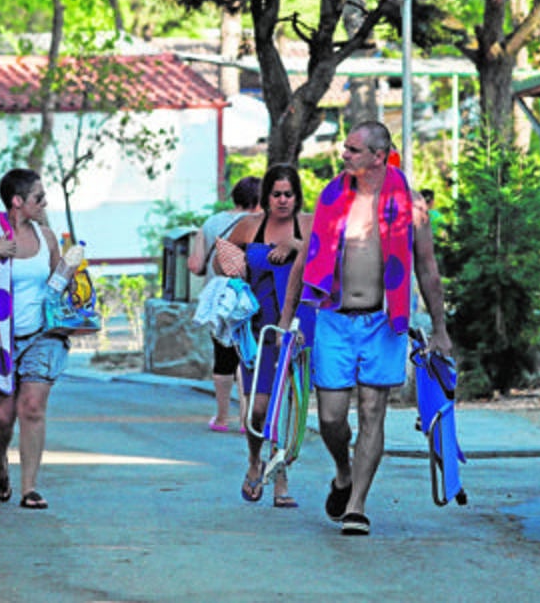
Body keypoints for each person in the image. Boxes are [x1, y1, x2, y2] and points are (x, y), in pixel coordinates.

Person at [279, 120, 452, 535]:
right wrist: (287, 320)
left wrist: (441, 330)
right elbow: (305, 261)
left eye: (353, 150)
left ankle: (356, 505)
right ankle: (343, 473)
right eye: (345, 148)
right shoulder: (332, 197)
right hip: (335, 321)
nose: (344, 155)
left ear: (379, 155)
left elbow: (428, 269)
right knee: (332, 419)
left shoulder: (410, 205)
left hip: (384, 322)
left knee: (374, 411)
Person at [0, 168, 68, 510]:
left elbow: (57, 285)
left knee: (32, 408)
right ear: (18, 201)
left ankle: (30, 488)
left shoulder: (47, 237)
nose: (44, 202)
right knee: (2, 418)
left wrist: (72, 273)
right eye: (39, 197)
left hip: (40, 335)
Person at [220, 164, 314, 508]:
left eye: (289, 194)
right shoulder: (249, 226)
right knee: (258, 408)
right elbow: (222, 260)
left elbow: (328, 261)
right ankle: (254, 459)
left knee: (286, 403)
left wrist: (296, 246)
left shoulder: (308, 225)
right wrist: (233, 266)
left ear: (297, 195)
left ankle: (281, 476)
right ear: (266, 196)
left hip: (297, 327)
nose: (283, 200)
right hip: (259, 327)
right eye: (277, 194)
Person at [187, 175, 262, 432]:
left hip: (219, 300)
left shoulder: (210, 223)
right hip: (250, 299)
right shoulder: (260, 224)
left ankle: (221, 418)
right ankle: (246, 419)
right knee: (247, 356)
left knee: (223, 359)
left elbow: (195, 265)